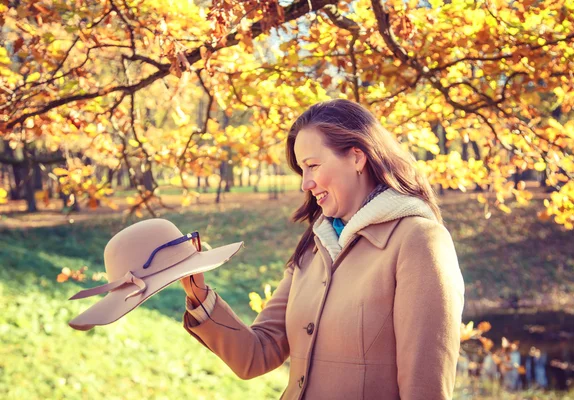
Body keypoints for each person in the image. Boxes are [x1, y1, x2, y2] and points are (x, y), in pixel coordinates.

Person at [180, 99, 465, 399]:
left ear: (357, 157)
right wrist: (199, 295)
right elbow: (257, 354)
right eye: (302, 170)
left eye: (312, 166)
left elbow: (426, 390)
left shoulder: (419, 241)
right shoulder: (313, 247)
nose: (305, 183)